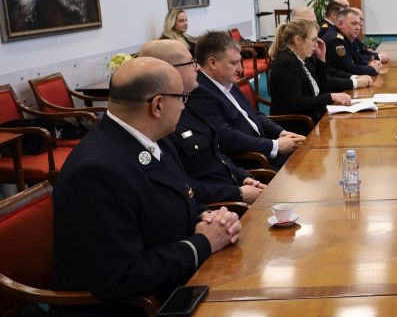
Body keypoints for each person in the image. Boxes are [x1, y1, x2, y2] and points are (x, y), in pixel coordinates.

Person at [50, 57, 241, 317]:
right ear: (158, 105)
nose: (185, 106)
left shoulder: (149, 140)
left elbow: (182, 199)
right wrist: (205, 242)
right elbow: (121, 278)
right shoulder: (98, 171)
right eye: (182, 98)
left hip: (167, 288)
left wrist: (210, 218)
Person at [138, 40, 267, 205]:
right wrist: (238, 193)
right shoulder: (161, 121)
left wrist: (243, 177)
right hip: (222, 205)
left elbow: (215, 154)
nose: (198, 67)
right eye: (191, 63)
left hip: (234, 188)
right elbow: (183, 185)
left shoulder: (188, 102)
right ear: (168, 71)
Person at [188, 31, 305, 168]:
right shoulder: (200, 93)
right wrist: (275, 145)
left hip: (264, 149)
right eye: (234, 63)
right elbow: (226, 138)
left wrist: (281, 132)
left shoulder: (226, 80)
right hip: (252, 162)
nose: (240, 69)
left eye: (240, 62)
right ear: (212, 63)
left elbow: (254, 114)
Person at [269, 18, 354, 123]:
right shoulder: (285, 63)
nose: (316, 44)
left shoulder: (300, 57)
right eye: (313, 40)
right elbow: (297, 103)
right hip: (297, 124)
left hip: (312, 116)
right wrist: (331, 97)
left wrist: (321, 59)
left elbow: (321, 85)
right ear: (298, 40)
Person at [291, 7, 374, 91]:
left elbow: (328, 72)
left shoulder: (308, 49)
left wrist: (354, 77)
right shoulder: (290, 58)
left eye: (315, 23)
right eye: (308, 24)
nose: (314, 28)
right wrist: (354, 82)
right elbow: (321, 83)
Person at [323, 7, 387, 77]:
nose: (358, 28)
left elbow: (357, 59)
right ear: (340, 24)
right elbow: (348, 69)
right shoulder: (336, 40)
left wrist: (371, 63)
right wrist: (372, 69)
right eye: (354, 23)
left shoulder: (347, 37)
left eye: (359, 24)